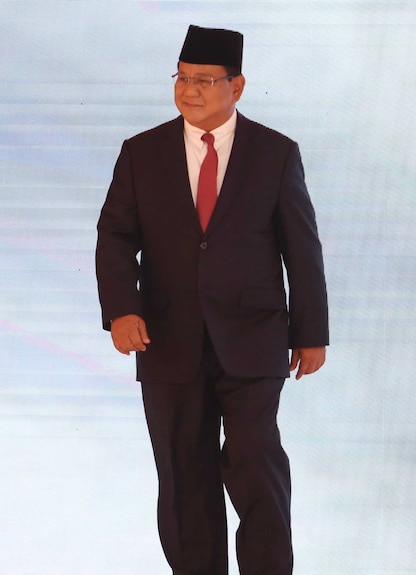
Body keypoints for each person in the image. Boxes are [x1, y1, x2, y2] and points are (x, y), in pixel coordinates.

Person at [95, 24, 328, 575]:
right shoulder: (141, 153)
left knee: (254, 461)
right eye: (182, 78)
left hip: (253, 338)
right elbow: (114, 236)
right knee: (183, 473)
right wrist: (122, 309)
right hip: (168, 338)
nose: (190, 90)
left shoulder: (275, 153)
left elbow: (303, 245)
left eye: (204, 80)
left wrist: (310, 332)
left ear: (237, 86)